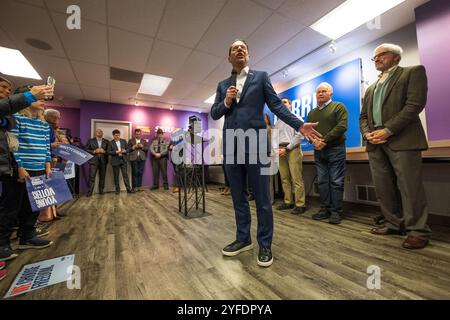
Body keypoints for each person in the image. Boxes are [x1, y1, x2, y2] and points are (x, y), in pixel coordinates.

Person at [210, 39, 321, 267]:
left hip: (257, 144)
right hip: (232, 146)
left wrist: (300, 125)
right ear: (229, 57)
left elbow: (276, 105)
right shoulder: (222, 85)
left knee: (262, 197)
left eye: (243, 47)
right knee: (238, 196)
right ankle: (243, 239)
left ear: (248, 55)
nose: (239, 49)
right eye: (234, 48)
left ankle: (265, 244)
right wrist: (227, 101)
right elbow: (214, 113)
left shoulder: (260, 77)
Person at [360, 43, 431, 249]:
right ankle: (393, 223)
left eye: (382, 55)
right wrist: (367, 134)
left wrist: (388, 130)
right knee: (383, 187)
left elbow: (415, 104)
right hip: (375, 143)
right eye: (375, 57)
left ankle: (418, 231)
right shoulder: (371, 87)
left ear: (396, 57)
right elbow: (363, 116)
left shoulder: (412, 72)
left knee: (410, 187)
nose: (377, 59)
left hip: (403, 139)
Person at [0, 85, 54, 261]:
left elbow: (47, 147)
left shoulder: (44, 125)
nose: (42, 101)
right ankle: (2, 243)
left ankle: (27, 236)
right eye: (38, 98)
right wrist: (20, 167)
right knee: (11, 207)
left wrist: (47, 165)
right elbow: (12, 144)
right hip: (21, 169)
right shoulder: (16, 120)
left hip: (40, 168)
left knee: (33, 206)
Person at [308, 83, 348, 225]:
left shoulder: (338, 107)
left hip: (335, 149)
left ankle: (336, 212)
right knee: (322, 181)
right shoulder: (311, 113)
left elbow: (342, 127)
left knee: (336, 182)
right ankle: (325, 209)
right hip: (318, 151)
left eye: (324, 91)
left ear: (330, 93)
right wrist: (314, 141)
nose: (320, 93)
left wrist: (324, 140)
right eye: (318, 91)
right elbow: (309, 131)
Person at [273, 98, 306, 214]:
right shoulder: (277, 122)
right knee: (284, 178)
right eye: (281, 103)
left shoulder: (296, 118)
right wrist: (277, 150)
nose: (283, 104)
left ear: (290, 105)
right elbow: (274, 138)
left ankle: (300, 204)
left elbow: (300, 136)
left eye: (285, 102)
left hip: (293, 149)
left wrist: (287, 148)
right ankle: (288, 202)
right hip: (280, 150)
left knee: (296, 178)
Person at [108, 129, 133, 194]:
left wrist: (125, 151)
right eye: (116, 135)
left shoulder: (123, 141)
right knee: (116, 176)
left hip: (123, 160)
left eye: (118, 135)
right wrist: (116, 152)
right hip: (115, 160)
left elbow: (128, 149)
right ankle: (117, 190)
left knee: (125, 175)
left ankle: (128, 189)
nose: (117, 136)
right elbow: (108, 152)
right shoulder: (110, 143)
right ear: (113, 135)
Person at [85, 128, 109, 196]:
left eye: (100, 131)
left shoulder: (106, 141)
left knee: (102, 176)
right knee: (92, 177)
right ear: (95, 133)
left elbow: (109, 151)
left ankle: (101, 190)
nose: (99, 132)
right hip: (93, 161)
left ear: (102, 133)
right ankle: (90, 191)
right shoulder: (90, 141)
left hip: (103, 161)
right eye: (97, 131)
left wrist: (104, 151)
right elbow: (86, 149)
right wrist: (95, 151)